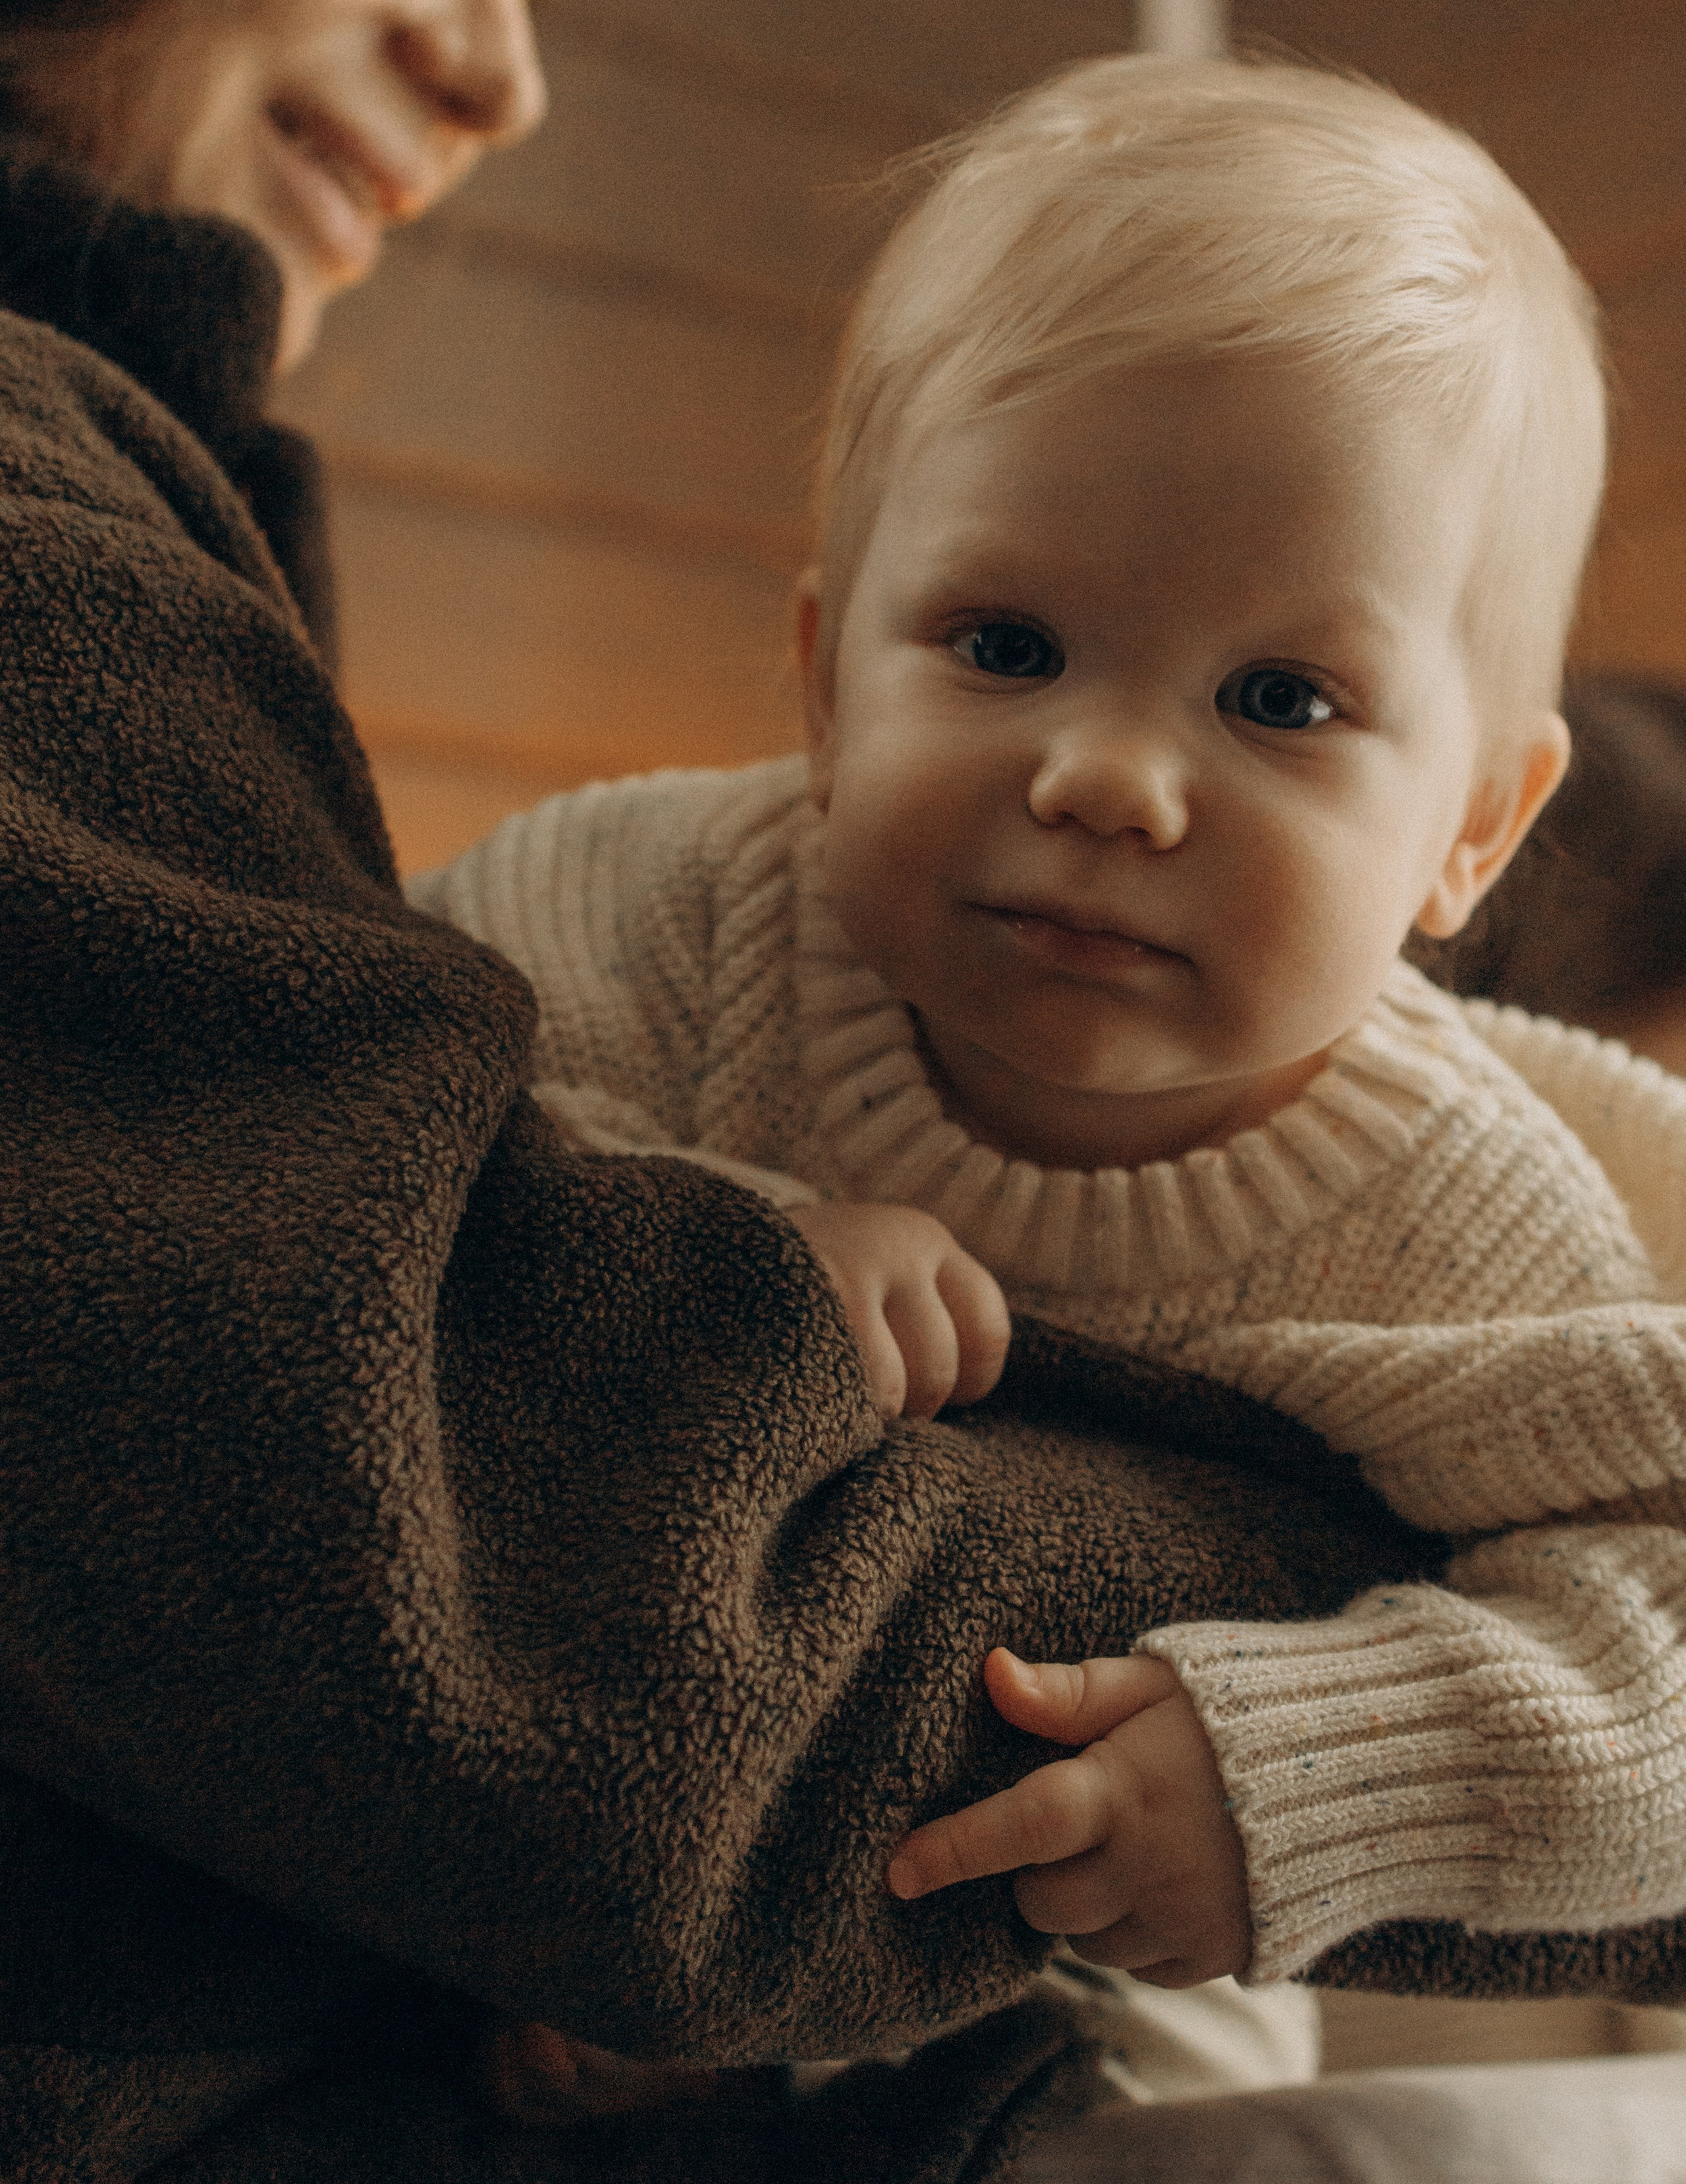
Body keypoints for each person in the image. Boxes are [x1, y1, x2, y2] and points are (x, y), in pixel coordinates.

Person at [415, 52, 1686, 2063]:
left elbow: (1668, 1616)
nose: (1105, 776)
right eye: (1003, 646)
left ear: (1476, 829)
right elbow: (386, 1154)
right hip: (575, 1889)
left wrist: (1306, 1774)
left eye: (1282, 697)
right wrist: (703, 1247)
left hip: (1099, 1959)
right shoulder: (663, 903)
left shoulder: (1453, 1218)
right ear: (828, 681)